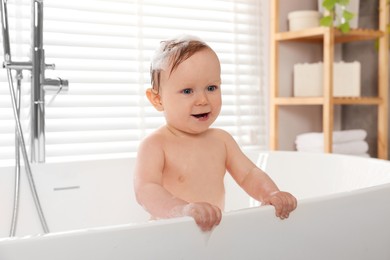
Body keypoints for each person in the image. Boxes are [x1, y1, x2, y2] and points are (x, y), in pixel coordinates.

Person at [134, 35, 297, 232]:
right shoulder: (156, 144)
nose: (203, 100)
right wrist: (182, 210)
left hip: (212, 235)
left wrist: (270, 193)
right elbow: (146, 190)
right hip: (167, 234)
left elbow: (249, 175)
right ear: (157, 99)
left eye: (211, 88)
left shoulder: (222, 140)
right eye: (187, 91)